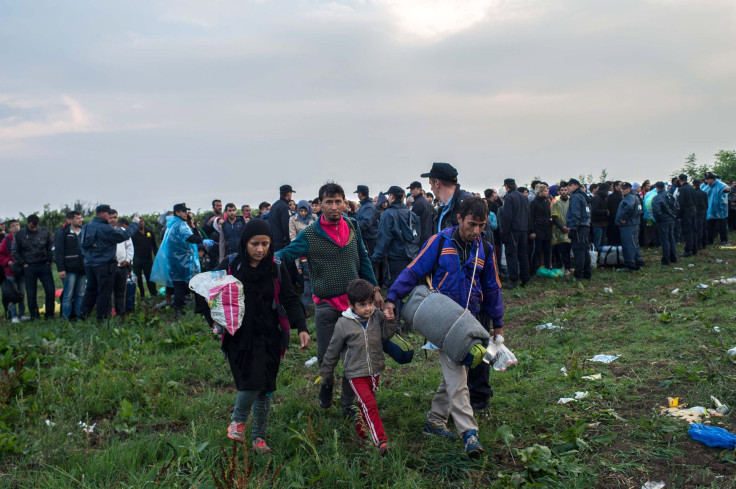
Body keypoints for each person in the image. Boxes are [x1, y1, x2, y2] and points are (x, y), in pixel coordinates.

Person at [383, 197, 503, 456]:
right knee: (458, 376)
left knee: (454, 372)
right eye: (471, 224)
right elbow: (413, 272)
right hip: (442, 320)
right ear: (459, 219)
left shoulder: (486, 249)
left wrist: (498, 326)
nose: (475, 231)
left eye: (481, 225)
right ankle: (469, 434)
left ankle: (435, 420)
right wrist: (392, 298)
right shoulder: (439, 243)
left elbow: (492, 287)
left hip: (470, 320)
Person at [275, 182, 381, 419]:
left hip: (353, 307)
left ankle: (347, 406)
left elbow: (363, 258)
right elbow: (287, 253)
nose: (334, 207)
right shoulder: (310, 235)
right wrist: (265, 257)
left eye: (338, 201)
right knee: (326, 356)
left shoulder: (353, 226)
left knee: (353, 359)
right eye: (329, 202)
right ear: (319, 205)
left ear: (345, 203)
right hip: (325, 305)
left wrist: (374, 288)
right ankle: (326, 384)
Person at [205, 219, 309, 453]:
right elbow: (207, 295)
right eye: (254, 244)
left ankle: (259, 438)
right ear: (245, 243)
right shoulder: (230, 265)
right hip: (239, 336)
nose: (260, 249)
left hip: (271, 335)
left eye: (265, 244)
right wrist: (213, 319)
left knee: (266, 388)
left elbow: (290, 298)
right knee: (252, 379)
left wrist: (301, 326)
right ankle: (238, 421)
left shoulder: (276, 267)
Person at [319, 279, 397, 456]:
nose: (368, 308)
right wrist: (326, 373)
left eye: (370, 303)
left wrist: (390, 321)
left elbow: (386, 334)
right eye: (362, 305)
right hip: (355, 373)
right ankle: (380, 441)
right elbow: (333, 350)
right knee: (370, 404)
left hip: (374, 370)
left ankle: (362, 437)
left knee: (364, 406)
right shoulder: (343, 324)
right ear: (351, 305)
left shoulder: (376, 316)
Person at [79, 205, 140, 320]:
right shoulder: (105, 228)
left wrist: (89, 258)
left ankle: (83, 316)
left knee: (90, 291)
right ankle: (103, 319)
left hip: (89, 265)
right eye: (108, 214)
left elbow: (81, 245)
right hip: (104, 265)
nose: (110, 216)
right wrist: (134, 223)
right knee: (104, 293)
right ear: (102, 214)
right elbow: (124, 235)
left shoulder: (86, 227)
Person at [152, 204, 213, 316]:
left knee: (178, 284)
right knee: (195, 283)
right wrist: (203, 241)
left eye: (186, 211)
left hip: (174, 261)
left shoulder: (171, 224)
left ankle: (178, 309)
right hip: (184, 262)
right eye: (183, 211)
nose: (186, 213)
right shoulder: (180, 224)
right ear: (177, 213)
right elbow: (189, 237)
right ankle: (201, 308)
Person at [371, 186, 417, 289]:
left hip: (395, 259)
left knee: (395, 291)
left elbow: (383, 239)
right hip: (411, 256)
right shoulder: (410, 212)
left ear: (391, 196)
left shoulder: (388, 214)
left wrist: (374, 260)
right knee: (408, 289)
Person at [11, 214, 55, 320]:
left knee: (50, 290)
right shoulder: (20, 234)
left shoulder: (44, 232)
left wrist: (49, 259)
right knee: (31, 293)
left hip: (44, 265)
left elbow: (51, 246)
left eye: (36, 226)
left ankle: (49, 315)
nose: (34, 228)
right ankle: (34, 316)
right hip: (29, 267)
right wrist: (23, 263)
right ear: (27, 223)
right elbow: (14, 250)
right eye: (32, 227)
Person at [421, 162, 473, 234]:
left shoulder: (466, 204)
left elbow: (480, 240)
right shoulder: (443, 208)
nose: (431, 188)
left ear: (437, 183)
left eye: (430, 184)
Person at [54, 211, 85, 320]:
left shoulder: (83, 231)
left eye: (80, 218)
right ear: (69, 220)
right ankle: (65, 319)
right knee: (68, 295)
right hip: (69, 269)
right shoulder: (63, 232)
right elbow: (59, 252)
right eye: (77, 218)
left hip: (82, 268)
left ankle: (79, 317)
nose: (80, 220)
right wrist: (61, 269)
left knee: (80, 294)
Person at [501, 178, 530, 288]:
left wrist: (505, 232)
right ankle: (525, 279)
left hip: (513, 230)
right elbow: (528, 214)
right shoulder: (524, 197)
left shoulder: (509, 198)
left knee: (511, 255)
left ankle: (514, 281)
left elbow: (507, 217)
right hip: (523, 229)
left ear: (507, 187)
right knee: (523, 255)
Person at [289, 200, 316, 311]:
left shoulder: (314, 218)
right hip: (301, 252)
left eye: (305, 210)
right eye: (301, 210)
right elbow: (292, 236)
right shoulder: (293, 220)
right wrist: (301, 246)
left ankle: (316, 304)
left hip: (314, 251)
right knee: (306, 279)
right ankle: (307, 307)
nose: (303, 213)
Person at [0, 220, 26, 323]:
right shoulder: (6, 240)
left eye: (17, 225)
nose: (16, 227)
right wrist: (8, 262)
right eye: (13, 226)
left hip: (21, 271)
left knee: (21, 293)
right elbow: (1, 255)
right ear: (9, 229)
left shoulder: (23, 238)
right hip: (10, 272)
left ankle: (22, 314)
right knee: (12, 294)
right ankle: (14, 316)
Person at [565, 179, 592, 280]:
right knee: (584, 250)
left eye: (570, 185)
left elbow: (575, 214)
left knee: (578, 251)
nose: (568, 187)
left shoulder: (576, 197)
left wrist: (572, 228)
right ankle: (587, 273)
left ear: (576, 186)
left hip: (578, 227)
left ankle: (578, 275)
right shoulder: (584, 196)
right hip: (584, 226)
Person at [109, 211, 133, 317]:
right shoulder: (103, 231)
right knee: (107, 292)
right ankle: (107, 314)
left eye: (115, 217)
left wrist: (128, 260)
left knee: (120, 292)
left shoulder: (123, 231)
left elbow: (130, 247)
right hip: (108, 267)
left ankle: (121, 314)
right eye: (111, 217)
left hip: (122, 266)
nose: (114, 219)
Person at [615, 183, 644, 272]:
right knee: (634, 244)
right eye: (622, 189)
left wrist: (624, 218)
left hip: (628, 225)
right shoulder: (635, 197)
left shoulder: (630, 198)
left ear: (629, 189)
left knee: (628, 245)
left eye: (625, 189)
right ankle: (638, 261)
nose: (623, 190)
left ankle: (630, 264)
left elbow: (629, 207)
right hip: (634, 224)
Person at [651, 181, 679, 265]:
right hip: (671, 219)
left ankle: (666, 259)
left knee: (664, 240)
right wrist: (673, 215)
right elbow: (677, 207)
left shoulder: (657, 197)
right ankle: (673, 257)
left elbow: (656, 210)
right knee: (671, 238)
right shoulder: (670, 195)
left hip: (663, 220)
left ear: (657, 188)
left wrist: (658, 219)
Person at [701, 173, 731, 246]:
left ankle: (724, 240)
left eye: (709, 180)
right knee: (710, 226)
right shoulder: (707, 186)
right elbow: (702, 191)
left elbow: (727, 189)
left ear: (713, 179)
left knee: (722, 226)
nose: (708, 181)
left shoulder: (720, 184)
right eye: (707, 180)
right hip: (711, 209)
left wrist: (725, 190)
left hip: (720, 209)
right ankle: (710, 240)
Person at [131, 218, 159, 298]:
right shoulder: (133, 234)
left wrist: (156, 257)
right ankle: (142, 295)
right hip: (137, 259)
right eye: (139, 222)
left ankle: (154, 295)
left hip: (148, 259)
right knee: (138, 279)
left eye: (142, 221)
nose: (141, 223)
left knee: (150, 277)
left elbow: (154, 246)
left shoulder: (149, 232)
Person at [528, 183, 552, 271]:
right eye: (545, 191)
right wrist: (532, 231)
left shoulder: (547, 202)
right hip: (538, 230)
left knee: (547, 250)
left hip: (547, 230)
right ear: (541, 192)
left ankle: (547, 267)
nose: (547, 192)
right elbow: (531, 217)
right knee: (537, 250)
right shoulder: (533, 203)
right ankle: (534, 268)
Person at [551, 182, 572, 272]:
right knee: (563, 249)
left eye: (565, 190)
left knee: (570, 248)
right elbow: (554, 217)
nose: (564, 192)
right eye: (562, 190)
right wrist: (561, 227)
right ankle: (565, 267)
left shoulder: (571, 200)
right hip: (560, 230)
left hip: (571, 228)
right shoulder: (556, 203)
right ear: (559, 192)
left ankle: (569, 267)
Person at [676, 174, 698, 257]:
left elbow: (680, 203)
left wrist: (678, 215)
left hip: (686, 212)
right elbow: (696, 200)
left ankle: (688, 250)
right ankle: (695, 248)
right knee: (694, 230)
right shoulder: (692, 188)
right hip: (693, 211)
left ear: (680, 180)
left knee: (687, 231)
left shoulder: (682, 189)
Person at [354, 185, 379, 255]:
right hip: (367, 239)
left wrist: (352, 224)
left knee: (369, 261)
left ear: (360, 194)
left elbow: (365, 224)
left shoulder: (368, 207)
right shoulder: (366, 206)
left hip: (369, 240)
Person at [408, 181, 434, 248]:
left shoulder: (418, 203)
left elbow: (412, 222)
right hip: (427, 236)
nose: (410, 191)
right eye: (410, 189)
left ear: (419, 189)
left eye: (413, 189)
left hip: (420, 238)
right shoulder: (425, 202)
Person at [269, 185, 295, 252]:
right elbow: (287, 227)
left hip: (274, 241)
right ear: (289, 193)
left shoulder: (274, 205)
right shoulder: (284, 207)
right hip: (283, 243)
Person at [590, 183, 609, 249]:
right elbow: (594, 210)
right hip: (597, 223)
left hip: (603, 223)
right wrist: (605, 211)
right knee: (597, 242)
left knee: (603, 242)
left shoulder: (603, 198)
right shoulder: (597, 198)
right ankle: (595, 256)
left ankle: (602, 257)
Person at [693, 179, 709, 250]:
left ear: (693, 184)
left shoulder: (694, 193)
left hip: (697, 212)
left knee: (698, 228)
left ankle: (699, 243)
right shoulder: (704, 193)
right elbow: (706, 204)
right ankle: (704, 243)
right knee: (704, 227)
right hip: (704, 211)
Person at [607, 181, 623, 245]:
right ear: (615, 186)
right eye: (620, 185)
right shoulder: (611, 196)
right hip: (614, 219)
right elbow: (613, 209)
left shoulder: (622, 195)